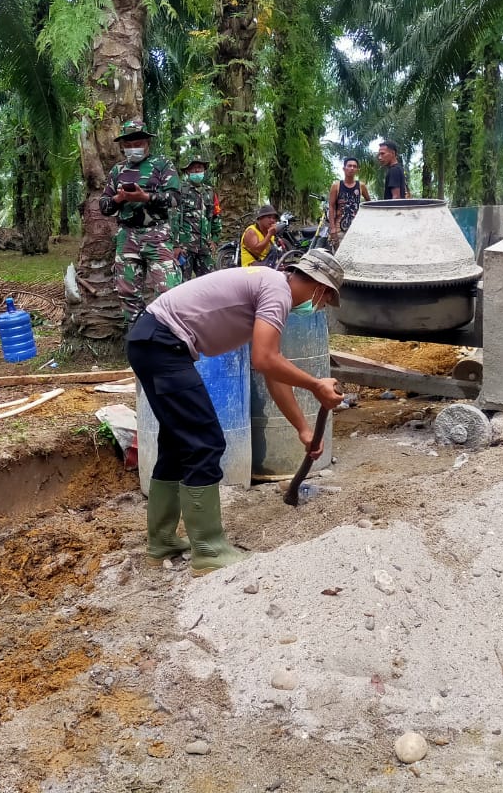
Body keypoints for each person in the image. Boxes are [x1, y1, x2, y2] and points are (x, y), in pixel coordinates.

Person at [127, 251, 346, 574]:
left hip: (151, 340)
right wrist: (316, 385)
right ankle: (209, 550)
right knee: (205, 441)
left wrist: (302, 428)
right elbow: (264, 360)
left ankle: (162, 541)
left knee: (178, 442)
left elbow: (272, 370)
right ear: (320, 288)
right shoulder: (277, 291)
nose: (321, 306)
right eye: (326, 300)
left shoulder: (269, 286)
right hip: (162, 344)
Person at [99, 120, 183, 325]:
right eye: (127, 145)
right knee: (127, 291)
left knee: (168, 288)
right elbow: (104, 205)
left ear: (147, 143)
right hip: (127, 235)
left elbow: (174, 199)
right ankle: (137, 340)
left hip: (157, 234)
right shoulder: (117, 171)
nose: (132, 148)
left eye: (137, 143)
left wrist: (146, 197)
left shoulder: (162, 164)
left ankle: (170, 338)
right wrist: (118, 200)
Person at [175, 152, 222, 279]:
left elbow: (216, 217)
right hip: (185, 247)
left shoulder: (210, 192)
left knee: (209, 282)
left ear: (204, 170)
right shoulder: (180, 190)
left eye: (200, 168)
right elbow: (172, 219)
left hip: (204, 247)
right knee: (182, 284)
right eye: (193, 168)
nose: (197, 170)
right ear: (188, 171)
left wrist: (215, 241)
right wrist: (175, 245)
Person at [327, 157, 370, 250]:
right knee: (340, 257)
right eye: (349, 166)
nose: (352, 168)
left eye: (354, 166)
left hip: (357, 228)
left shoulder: (361, 186)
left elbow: (369, 203)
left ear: (357, 170)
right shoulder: (336, 186)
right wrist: (333, 228)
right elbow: (331, 206)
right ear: (344, 168)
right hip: (340, 228)